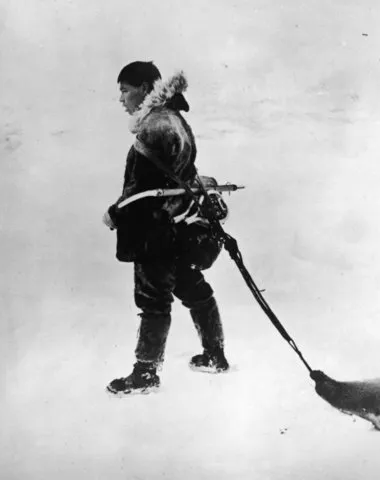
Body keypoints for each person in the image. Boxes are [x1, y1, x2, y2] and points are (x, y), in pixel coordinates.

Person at [103, 61, 229, 396]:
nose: (121, 98)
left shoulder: (154, 127)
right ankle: (215, 354)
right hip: (180, 222)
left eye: (125, 89)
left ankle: (146, 373)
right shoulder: (174, 119)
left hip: (155, 229)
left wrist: (116, 213)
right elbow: (183, 173)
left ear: (144, 89)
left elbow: (142, 190)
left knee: (153, 301)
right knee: (192, 287)